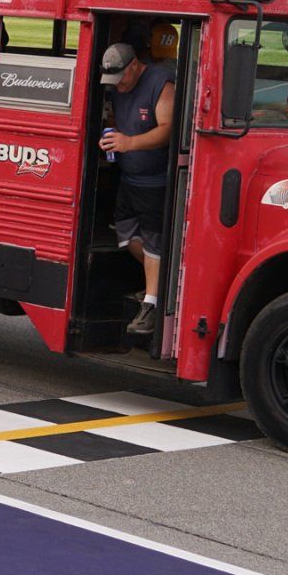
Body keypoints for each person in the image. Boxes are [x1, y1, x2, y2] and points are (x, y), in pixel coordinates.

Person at [100, 29, 179, 345]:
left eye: (121, 78)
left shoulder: (161, 83)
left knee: (154, 241)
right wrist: (111, 137)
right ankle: (163, 282)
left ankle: (151, 304)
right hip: (129, 178)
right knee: (127, 235)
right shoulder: (119, 86)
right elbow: (117, 120)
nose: (118, 85)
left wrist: (130, 143)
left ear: (134, 65)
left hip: (155, 181)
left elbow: (168, 130)